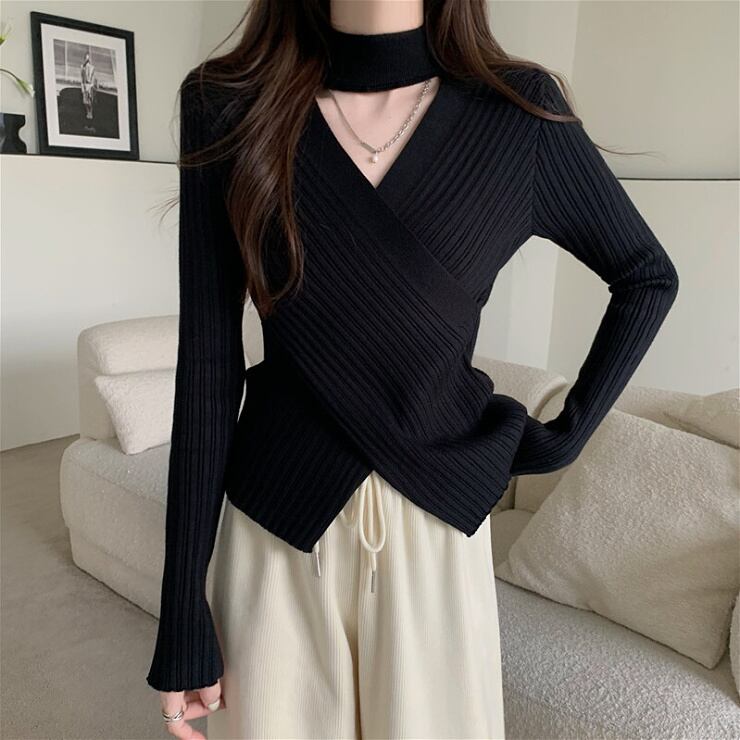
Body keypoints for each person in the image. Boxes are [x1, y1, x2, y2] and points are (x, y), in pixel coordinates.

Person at [146, 1, 680, 738]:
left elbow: (646, 275)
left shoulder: (516, 113)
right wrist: (180, 608)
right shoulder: (228, 104)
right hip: (276, 532)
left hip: (434, 539)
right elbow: (208, 363)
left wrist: (565, 436)